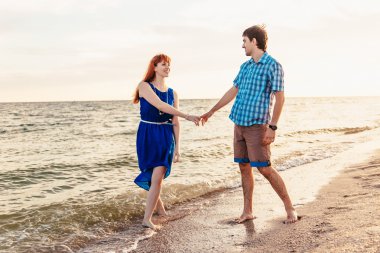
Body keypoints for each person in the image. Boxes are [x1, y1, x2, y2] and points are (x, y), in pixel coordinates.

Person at [201, 25, 298, 224]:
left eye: (244, 41)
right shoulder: (245, 67)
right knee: (244, 167)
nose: (242, 45)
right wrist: (212, 110)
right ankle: (248, 211)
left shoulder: (273, 65)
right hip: (239, 123)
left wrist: (272, 127)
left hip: (257, 125)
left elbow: (280, 98)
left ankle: (290, 207)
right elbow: (233, 90)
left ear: (254, 41)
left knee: (265, 168)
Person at [132, 53, 200, 230]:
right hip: (147, 133)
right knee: (152, 174)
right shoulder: (144, 86)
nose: (167, 68)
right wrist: (187, 115)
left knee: (158, 176)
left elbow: (175, 122)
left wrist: (178, 147)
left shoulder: (173, 93)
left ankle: (147, 219)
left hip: (165, 134)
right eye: (163, 64)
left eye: (169, 65)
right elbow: (160, 106)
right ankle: (160, 209)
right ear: (154, 67)